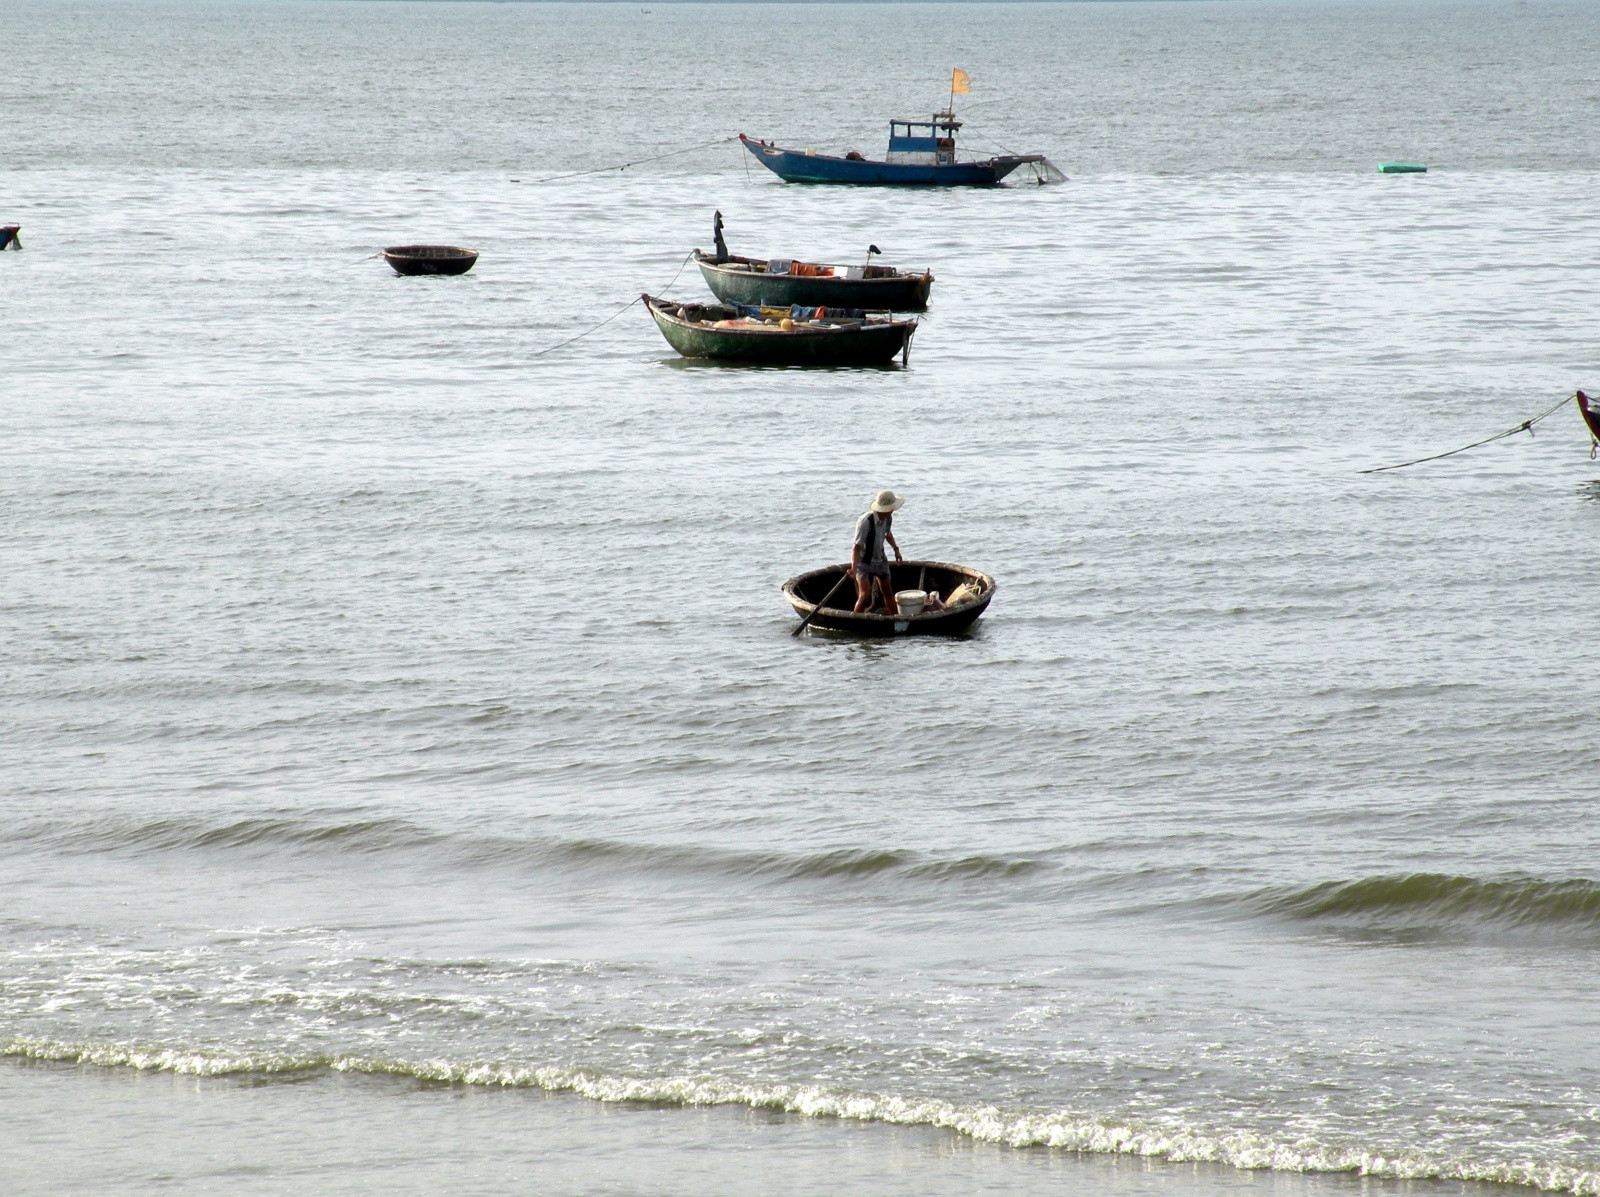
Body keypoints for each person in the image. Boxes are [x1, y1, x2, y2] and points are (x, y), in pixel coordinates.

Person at [851, 489, 904, 615]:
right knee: (864, 594)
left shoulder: (888, 518)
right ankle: (854, 620)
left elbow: (887, 534)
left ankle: (895, 619)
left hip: (880, 560)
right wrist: (854, 568)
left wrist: (896, 549)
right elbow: (856, 547)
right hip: (864, 562)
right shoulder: (865, 522)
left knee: (888, 592)